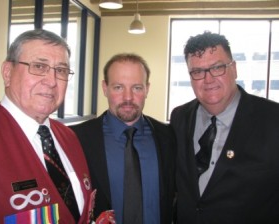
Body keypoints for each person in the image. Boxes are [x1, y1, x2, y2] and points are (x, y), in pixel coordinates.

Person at [0, 29, 94, 223]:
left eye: (61, 70)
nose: (51, 81)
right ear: (7, 73)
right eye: (39, 66)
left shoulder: (69, 137)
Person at [170, 31, 279, 224]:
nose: (208, 79)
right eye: (197, 72)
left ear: (234, 69)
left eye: (217, 67)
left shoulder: (272, 119)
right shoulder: (180, 117)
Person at [70, 53, 176, 224]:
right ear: (105, 88)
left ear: (147, 89)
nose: (128, 97)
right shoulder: (76, 139)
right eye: (118, 87)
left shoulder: (168, 137)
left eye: (137, 88)